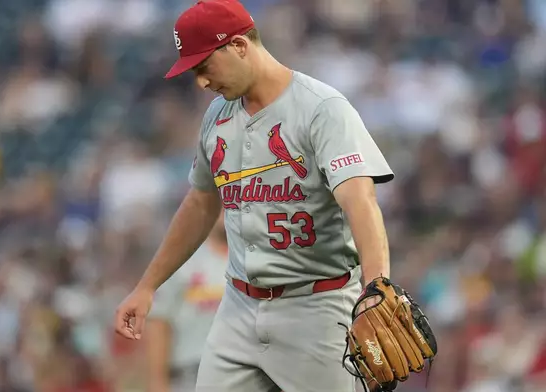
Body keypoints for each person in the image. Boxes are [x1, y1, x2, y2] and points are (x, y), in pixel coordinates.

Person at [114, 1, 394, 391]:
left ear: (240, 46)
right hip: (238, 308)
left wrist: (376, 284)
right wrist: (147, 286)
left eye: (204, 67)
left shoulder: (322, 109)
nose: (201, 82)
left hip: (315, 306)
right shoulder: (216, 116)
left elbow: (360, 200)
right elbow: (199, 202)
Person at [144, 211, 228, 392]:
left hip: (246, 374)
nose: (225, 210)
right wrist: (157, 382)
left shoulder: (256, 261)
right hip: (191, 375)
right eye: (219, 205)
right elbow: (159, 322)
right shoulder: (182, 260)